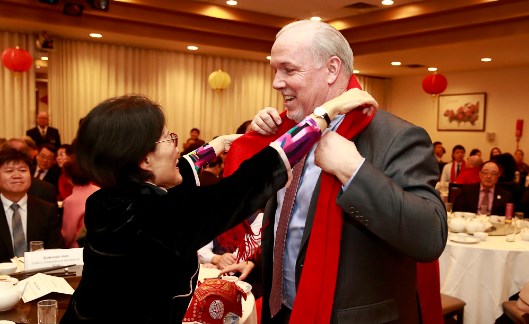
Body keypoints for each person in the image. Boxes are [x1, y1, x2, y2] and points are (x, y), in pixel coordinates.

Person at [61, 90, 376, 323]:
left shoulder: (110, 199)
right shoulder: (154, 216)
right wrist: (325, 113)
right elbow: (242, 188)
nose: (176, 144)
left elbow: (169, 177)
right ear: (143, 159)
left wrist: (218, 146)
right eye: (168, 139)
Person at [222, 20, 446, 324]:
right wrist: (260, 262)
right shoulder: (292, 134)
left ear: (332, 69)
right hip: (282, 310)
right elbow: (294, 224)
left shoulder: (397, 137)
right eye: (274, 70)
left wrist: (353, 170)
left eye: (288, 70)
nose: (276, 82)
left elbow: (429, 237)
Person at [0, 147, 63, 262]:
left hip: (38, 277)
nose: (17, 175)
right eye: (9, 171)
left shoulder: (47, 210)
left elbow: (56, 251)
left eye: (23, 170)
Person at [60, 160, 99, 248]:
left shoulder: (71, 201)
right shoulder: (99, 190)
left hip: (81, 248)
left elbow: (68, 234)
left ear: (69, 177)